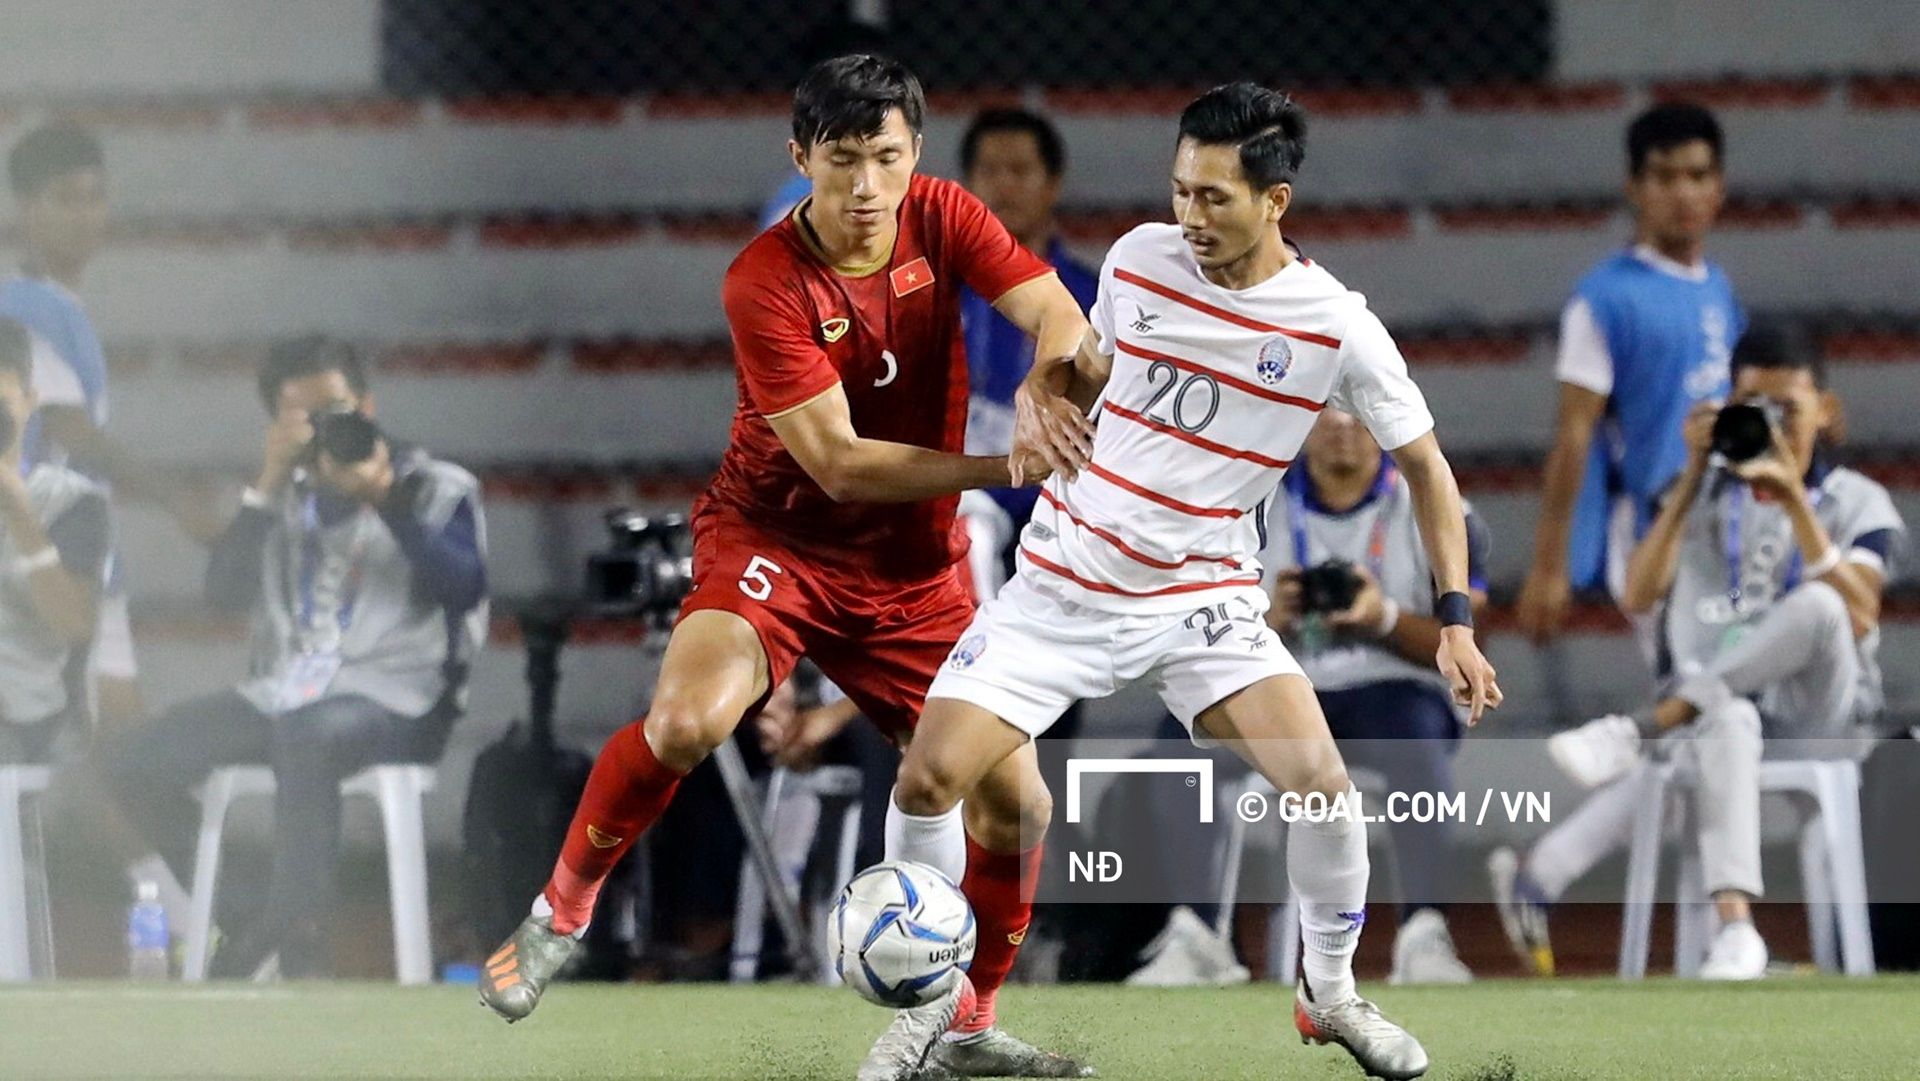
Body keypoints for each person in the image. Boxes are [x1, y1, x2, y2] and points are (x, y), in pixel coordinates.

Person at [477, 55, 1093, 1081]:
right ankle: (560, 915)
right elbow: (841, 463)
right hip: (779, 544)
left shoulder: (944, 216)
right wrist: (1004, 460)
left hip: (913, 574)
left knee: (1018, 807)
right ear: (799, 157)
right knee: (683, 722)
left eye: (884, 158)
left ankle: (967, 1029)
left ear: (916, 156)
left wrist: (1044, 377)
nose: (863, 188)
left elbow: (1060, 314)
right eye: (841, 160)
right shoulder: (762, 280)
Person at [890, 83, 1502, 1081]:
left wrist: (1456, 621)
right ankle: (938, 1012)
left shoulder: (1333, 324)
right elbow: (1083, 369)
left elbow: (1430, 469)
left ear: (1276, 201)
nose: (1191, 217)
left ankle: (1331, 995)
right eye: (1181, 192)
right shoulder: (1138, 260)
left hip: (1203, 602)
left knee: (1325, 793)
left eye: (1215, 198)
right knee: (929, 777)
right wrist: (1044, 393)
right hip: (1064, 581)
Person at [66, 337, 489, 977]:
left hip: (399, 699)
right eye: (306, 420)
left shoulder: (434, 485)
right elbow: (224, 595)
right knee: (132, 757)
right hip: (287, 693)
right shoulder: (285, 495)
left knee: (307, 733)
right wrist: (263, 487)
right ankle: (251, 915)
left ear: (369, 405)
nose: (327, 431)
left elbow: (464, 585)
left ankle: (300, 937)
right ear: (279, 426)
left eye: (340, 412)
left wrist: (385, 499)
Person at [1492, 329, 1906, 980]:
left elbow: (1858, 613)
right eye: (1753, 408)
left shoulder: (1858, 499)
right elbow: (1638, 589)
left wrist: (1794, 497)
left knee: (1820, 606)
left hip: (1820, 722)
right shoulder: (1702, 493)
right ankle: (1737, 931)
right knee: (1726, 713)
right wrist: (1691, 474)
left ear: (1825, 409)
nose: (1771, 426)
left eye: (1787, 410)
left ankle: (1637, 730)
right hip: (1722, 713)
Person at [1, 122, 219, 727]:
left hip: (82, 550)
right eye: (64, 199)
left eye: (94, 196)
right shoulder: (25, 308)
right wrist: (178, 501)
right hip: (49, 553)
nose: (84, 214)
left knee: (118, 739)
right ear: (26, 209)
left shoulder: (61, 306)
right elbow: (73, 433)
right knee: (105, 751)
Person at [1516, 103, 1743, 646]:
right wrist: (1550, 566)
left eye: (1697, 176)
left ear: (1719, 188)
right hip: (1653, 523)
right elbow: (1574, 433)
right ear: (1634, 188)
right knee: (1694, 685)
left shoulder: (1720, 289)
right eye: (1665, 177)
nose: (1683, 193)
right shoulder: (1602, 301)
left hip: (1728, 519)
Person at [956, 108, 1100, 596]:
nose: (1004, 187)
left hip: (1061, 486)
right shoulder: (932, 290)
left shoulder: (1091, 295)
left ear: (1052, 184)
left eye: (1019, 171)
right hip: (959, 485)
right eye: (989, 172)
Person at [0, 317, 110, 764]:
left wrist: (17, 508)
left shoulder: (70, 501)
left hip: (29, 716)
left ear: (29, 402)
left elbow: (74, 623)